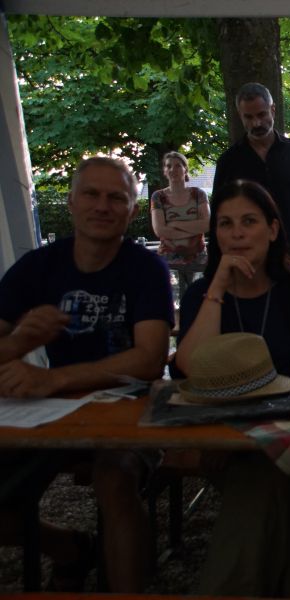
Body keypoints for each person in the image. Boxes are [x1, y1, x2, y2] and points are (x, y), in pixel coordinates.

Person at [0, 156, 174, 592]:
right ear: (71, 202)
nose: (102, 206)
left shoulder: (146, 268)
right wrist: (18, 343)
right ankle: (69, 548)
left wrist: (53, 380)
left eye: (116, 197)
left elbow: (149, 360)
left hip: (130, 410)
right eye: (91, 194)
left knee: (115, 480)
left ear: (132, 211)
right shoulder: (38, 266)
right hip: (51, 414)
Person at [174, 179, 290, 596]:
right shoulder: (200, 295)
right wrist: (217, 288)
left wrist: (245, 433)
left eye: (248, 221)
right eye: (226, 223)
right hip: (219, 439)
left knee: (260, 483)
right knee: (266, 499)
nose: (236, 233)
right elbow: (190, 368)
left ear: (272, 229)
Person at [212, 82, 290, 255]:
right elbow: (219, 213)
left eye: (261, 114)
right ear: (240, 116)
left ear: (273, 110)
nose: (256, 123)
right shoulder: (228, 161)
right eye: (248, 117)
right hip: (246, 254)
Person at [150, 151, 210, 266]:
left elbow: (207, 224)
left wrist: (175, 224)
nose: (173, 169)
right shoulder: (158, 197)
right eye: (169, 166)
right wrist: (194, 231)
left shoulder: (198, 194)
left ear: (185, 169)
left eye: (178, 165)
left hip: (198, 260)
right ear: (164, 171)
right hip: (168, 261)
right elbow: (159, 230)